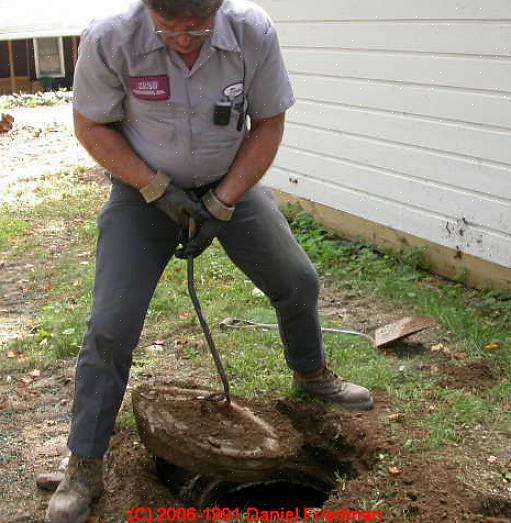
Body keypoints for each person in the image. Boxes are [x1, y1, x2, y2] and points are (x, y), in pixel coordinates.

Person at [45, 0, 373, 521]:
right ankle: (85, 462)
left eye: (197, 29)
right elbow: (91, 126)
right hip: (142, 193)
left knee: (298, 280)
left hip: (231, 184)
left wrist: (223, 201)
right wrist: (157, 189)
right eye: (168, 29)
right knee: (111, 324)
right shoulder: (111, 37)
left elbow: (267, 123)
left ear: (218, 9)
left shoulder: (252, 31)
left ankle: (312, 376)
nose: (183, 41)